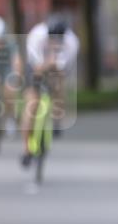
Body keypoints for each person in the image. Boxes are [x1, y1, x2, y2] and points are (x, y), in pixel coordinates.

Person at [20, 13, 80, 167]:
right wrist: (48, 63)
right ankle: (27, 149)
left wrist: (53, 66)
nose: (54, 43)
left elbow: (62, 69)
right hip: (35, 67)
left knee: (58, 83)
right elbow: (36, 69)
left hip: (56, 70)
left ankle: (57, 119)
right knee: (32, 105)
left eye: (57, 40)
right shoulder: (36, 36)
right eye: (51, 39)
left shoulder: (72, 43)